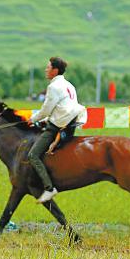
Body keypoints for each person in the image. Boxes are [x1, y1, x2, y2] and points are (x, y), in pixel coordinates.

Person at [27, 57, 88, 203]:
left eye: (48, 67)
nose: (46, 70)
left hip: (58, 126)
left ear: (55, 70)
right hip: (72, 122)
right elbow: (61, 108)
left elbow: (46, 110)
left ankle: (49, 188)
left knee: (33, 155)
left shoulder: (53, 87)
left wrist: (32, 120)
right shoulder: (69, 85)